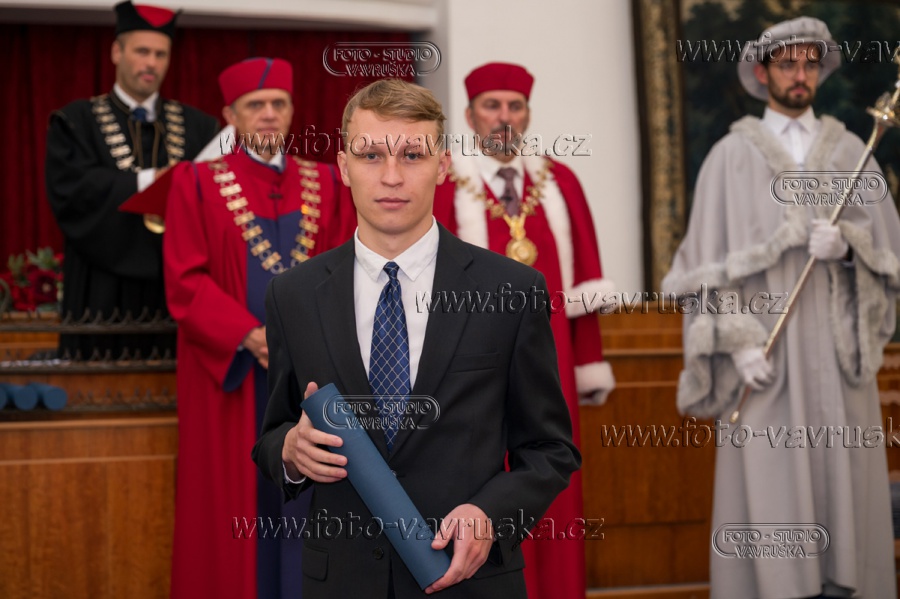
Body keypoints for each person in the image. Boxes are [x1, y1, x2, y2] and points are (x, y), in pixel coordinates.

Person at [252, 78, 581, 598]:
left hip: (469, 582)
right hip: (341, 583)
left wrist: (491, 514)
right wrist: (291, 452)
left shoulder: (512, 290)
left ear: (442, 165)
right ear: (343, 167)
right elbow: (273, 435)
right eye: (370, 156)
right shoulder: (293, 295)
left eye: (412, 155)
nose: (391, 176)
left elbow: (550, 448)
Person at [662, 17, 900, 599]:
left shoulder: (852, 152)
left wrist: (850, 249)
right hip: (764, 366)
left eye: (810, 64)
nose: (800, 75)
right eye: (788, 64)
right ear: (761, 71)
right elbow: (703, 268)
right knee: (770, 500)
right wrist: (738, 344)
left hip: (839, 366)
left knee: (846, 500)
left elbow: (890, 257)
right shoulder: (729, 158)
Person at [163, 57, 357, 599]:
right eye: (255, 105)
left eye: (279, 103)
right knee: (234, 502)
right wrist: (251, 336)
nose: (269, 114)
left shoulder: (328, 181)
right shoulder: (195, 184)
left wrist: (310, 344)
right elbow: (184, 280)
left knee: (314, 488)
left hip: (312, 375)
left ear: (292, 110)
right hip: (234, 375)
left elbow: (348, 268)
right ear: (230, 115)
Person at [431, 61, 612, 599]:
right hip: (475, 367)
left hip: (550, 364)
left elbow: (588, 286)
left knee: (551, 481)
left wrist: (588, 365)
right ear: (470, 116)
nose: (504, 116)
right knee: (486, 479)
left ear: (528, 114)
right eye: (492, 106)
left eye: (515, 106)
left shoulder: (561, 182)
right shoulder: (445, 183)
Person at [45, 1, 219, 360]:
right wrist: (151, 181)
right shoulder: (76, 121)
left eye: (160, 54)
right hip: (99, 291)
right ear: (116, 52)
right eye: (142, 51)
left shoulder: (200, 127)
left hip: (173, 292)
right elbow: (71, 193)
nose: (151, 63)